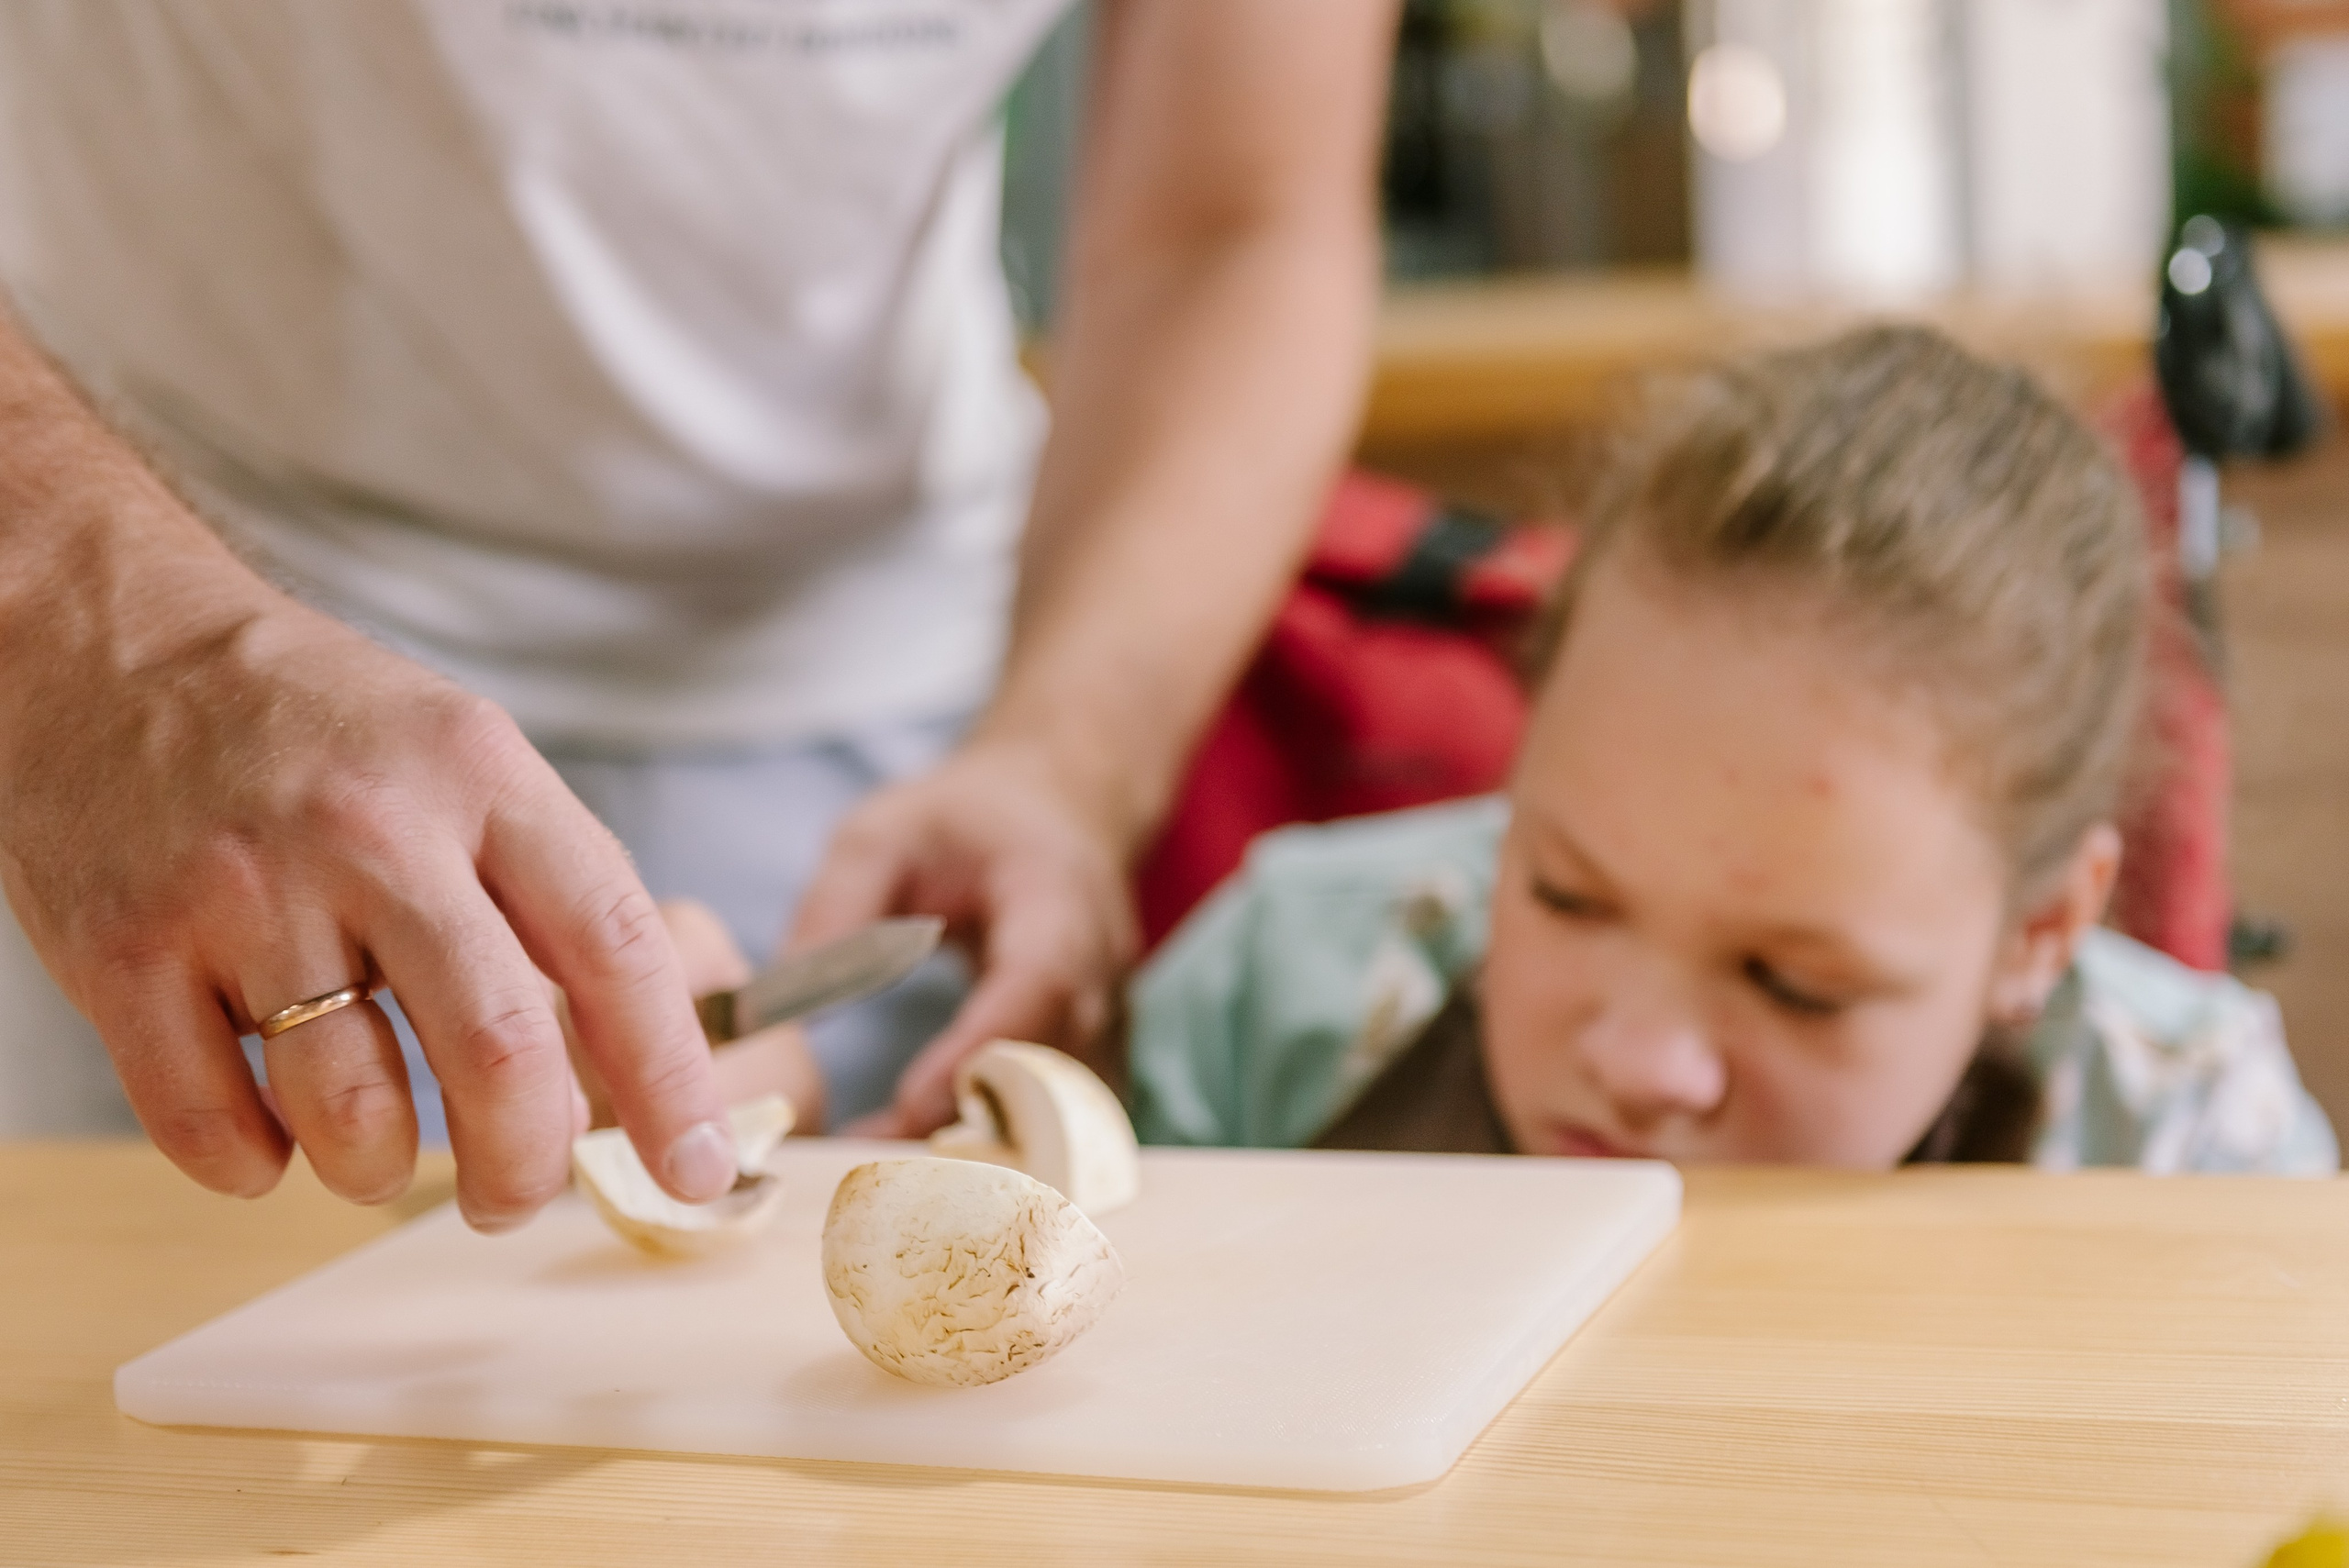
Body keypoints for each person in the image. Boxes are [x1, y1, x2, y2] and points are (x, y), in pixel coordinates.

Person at [0, 3, 1397, 1230]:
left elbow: (1232, 227)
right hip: (172, 691)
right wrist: (108, 634)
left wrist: (1068, 759)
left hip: (889, 748)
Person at [1129, 326, 2337, 1173]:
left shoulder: (2191, 1144)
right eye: (1563, 893)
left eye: (1792, 983)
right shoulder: (1268, 1008)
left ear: (2040, 932)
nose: (1639, 1061)